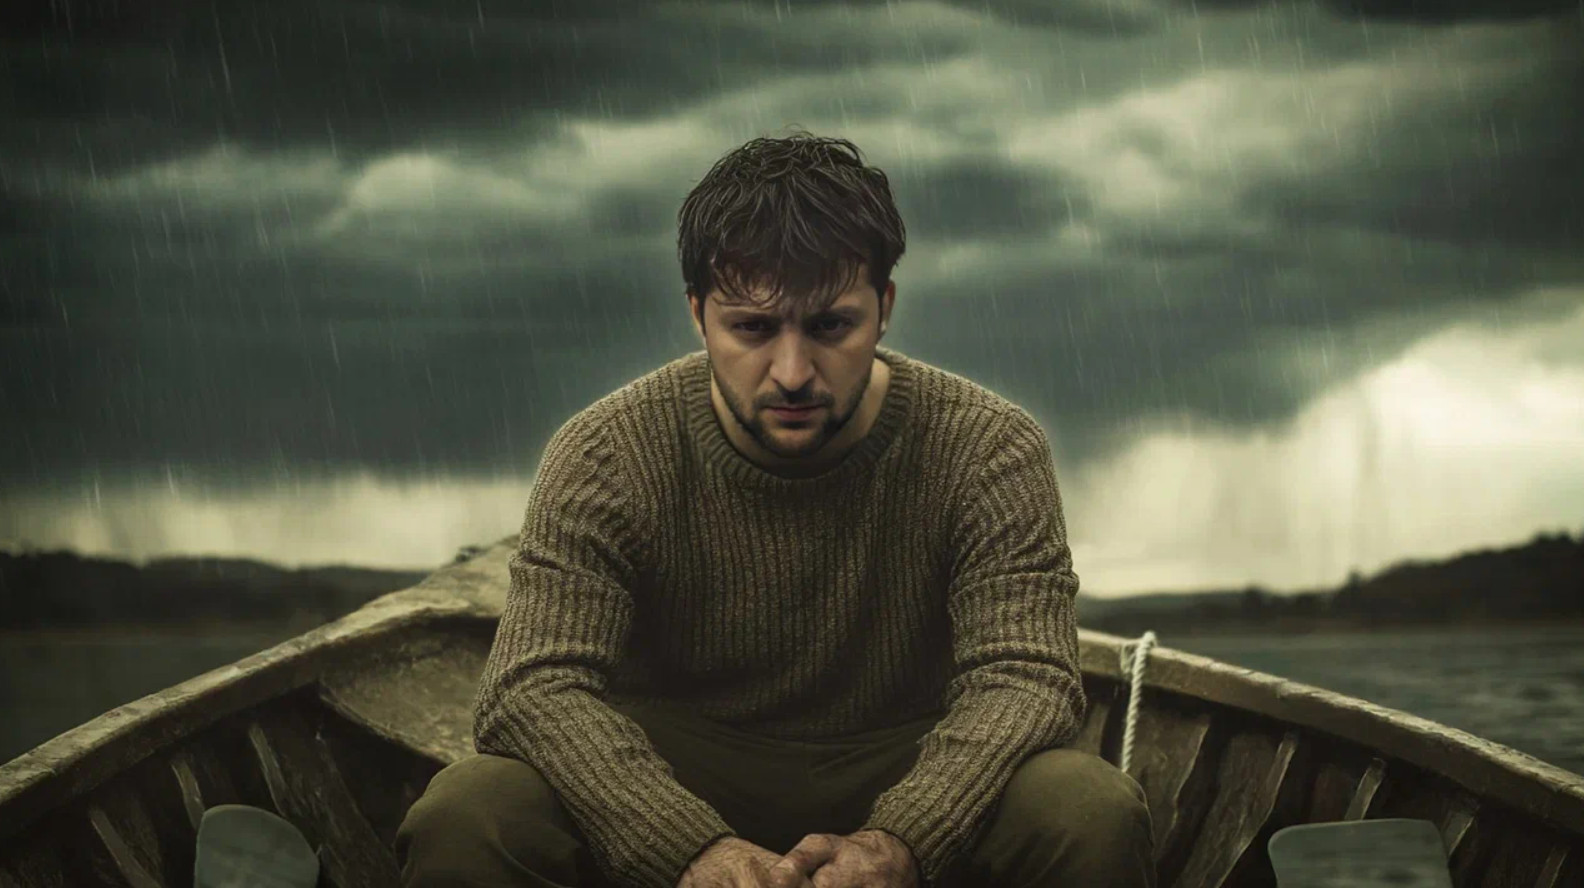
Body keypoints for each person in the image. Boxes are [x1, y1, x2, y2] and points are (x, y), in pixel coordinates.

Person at [396, 130, 1155, 888]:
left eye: (830, 326)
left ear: (884, 308)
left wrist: (901, 840)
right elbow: (530, 687)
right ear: (699, 316)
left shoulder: (988, 447)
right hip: (671, 771)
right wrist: (687, 850)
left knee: (1087, 808)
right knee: (470, 812)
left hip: (910, 764)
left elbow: (1026, 676)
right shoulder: (606, 453)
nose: (792, 372)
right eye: (753, 328)